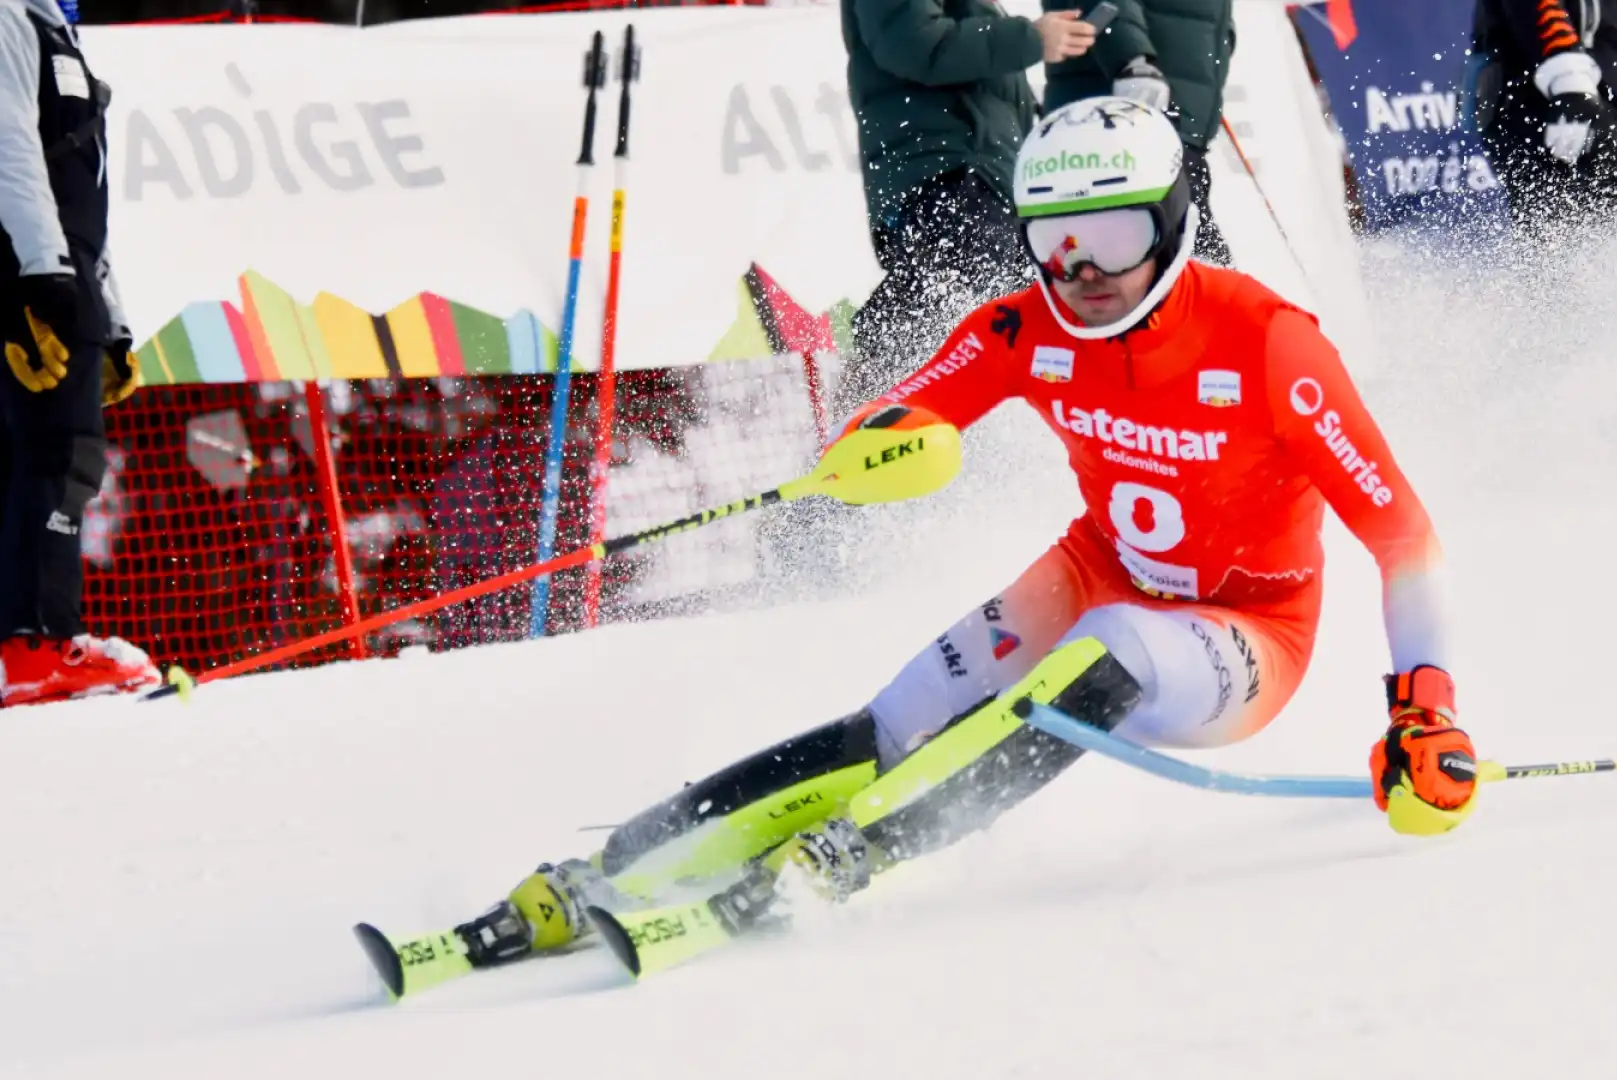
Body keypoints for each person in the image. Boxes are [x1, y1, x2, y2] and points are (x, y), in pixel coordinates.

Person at [439, 98, 1478, 969]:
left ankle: (861, 853)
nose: (1084, 272)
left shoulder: (1269, 343)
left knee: (1100, 655)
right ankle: (611, 868)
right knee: (899, 714)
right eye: (1056, 241)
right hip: (1097, 570)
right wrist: (880, 447)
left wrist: (1424, 709)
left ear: (1172, 220)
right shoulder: (1025, 325)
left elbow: (1404, 536)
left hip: (1247, 635)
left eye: (1114, 235)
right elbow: (911, 407)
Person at [0, 0, 159, 707]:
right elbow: (7, 147)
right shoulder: (9, 15)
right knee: (56, 455)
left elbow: (81, 200)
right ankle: (38, 645)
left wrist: (114, 320)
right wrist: (42, 279)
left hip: (63, 270)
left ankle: (27, 645)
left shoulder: (56, 30)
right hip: (32, 276)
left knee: (52, 456)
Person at [834, 0, 1100, 421]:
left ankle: (886, 423)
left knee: (992, 317)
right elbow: (918, 45)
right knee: (966, 311)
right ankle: (862, 432)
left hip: (980, 180)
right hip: (946, 174)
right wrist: (1031, 38)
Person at [1039, 0, 1237, 265]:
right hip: (1115, 127)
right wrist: (1132, 59)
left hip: (1173, 130)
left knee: (1190, 272)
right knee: (1191, 275)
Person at [1466, 0, 1617, 233]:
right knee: (1553, 239)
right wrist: (1569, 82)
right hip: (1532, 92)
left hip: (1608, 110)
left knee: (1614, 244)